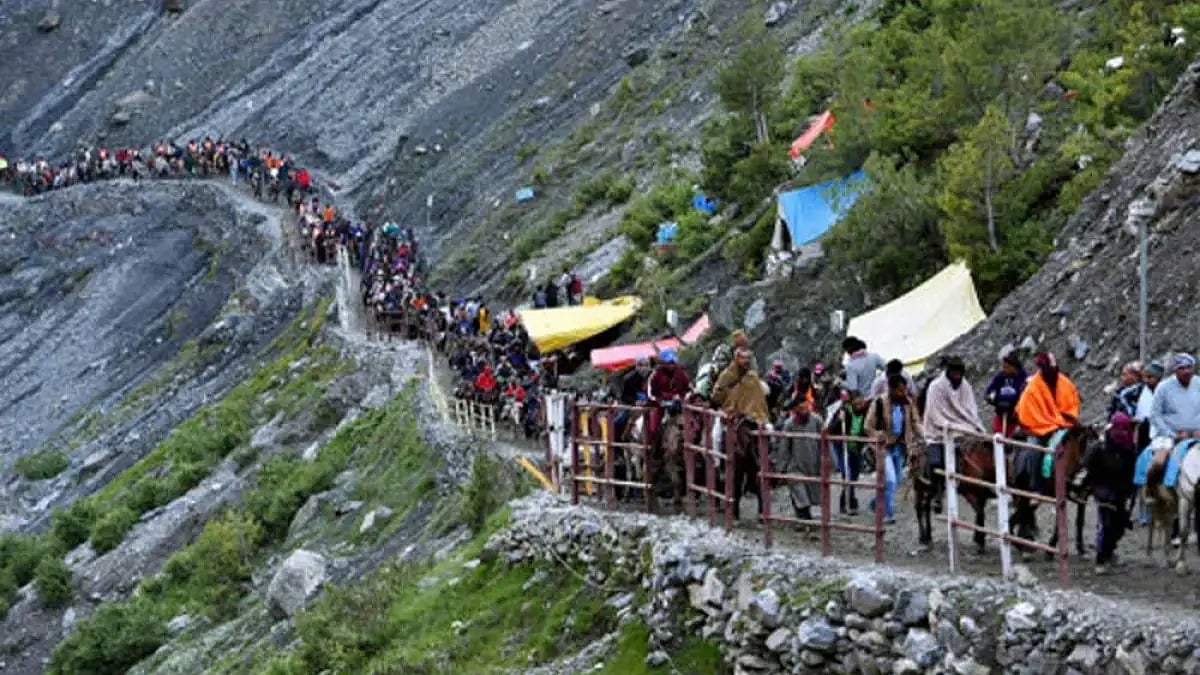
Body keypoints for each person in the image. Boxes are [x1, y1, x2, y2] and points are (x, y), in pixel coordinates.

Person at [921, 357, 986, 512]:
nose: (957, 376)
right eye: (954, 372)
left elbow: (971, 409)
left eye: (960, 373)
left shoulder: (966, 386)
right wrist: (950, 427)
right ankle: (938, 492)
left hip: (963, 426)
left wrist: (972, 426)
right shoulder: (936, 387)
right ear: (948, 372)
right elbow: (935, 414)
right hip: (938, 430)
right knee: (936, 461)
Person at [1080, 411, 1138, 574]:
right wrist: (1087, 487)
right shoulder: (1099, 447)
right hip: (1102, 488)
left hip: (1120, 491)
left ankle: (1109, 550)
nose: (1123, 433)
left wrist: (1130, 492)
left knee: (1119, 525)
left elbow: (1131, 472)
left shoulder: (1129, 449)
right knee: (1105, 523)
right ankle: (1100, 559)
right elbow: (1087, 467)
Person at [864, 374, 923, 524]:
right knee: (889, 480)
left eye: (904, 390)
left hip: (901, 446)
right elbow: (868, 426)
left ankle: (875, 503)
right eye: (899, 391)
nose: (902, 393)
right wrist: (879, 435)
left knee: (896, 480)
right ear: (891, 389)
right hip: (883, 447)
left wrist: (924, 436)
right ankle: (887, 514)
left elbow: (916, 422)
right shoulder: (879, 402)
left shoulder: (907, 403)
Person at [771, 399, 824, 526]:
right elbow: (784, 447)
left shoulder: (817, 421)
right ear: (795, 410)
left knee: (811, 493)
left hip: (813, 462)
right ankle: (804, 519)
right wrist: (781, 468)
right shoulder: (789, 424)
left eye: (806, 407)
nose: (805, 410)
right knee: (800, 492)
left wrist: (827, 462)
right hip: (795, 465)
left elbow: (824, 442)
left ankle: (803, 517)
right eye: (801, 408)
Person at [648, 349, 691, 502]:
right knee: (653, 428)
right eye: (669, 363)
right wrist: (662, 401)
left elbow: (688, 390)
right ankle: (653, 453)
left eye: (673, 362)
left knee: (692, 425)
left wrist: (681, 399)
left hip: (678, 408)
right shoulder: (656, 375)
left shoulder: (681, 374)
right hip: (661, 407)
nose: (671, 365)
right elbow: (651, 394)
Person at [828, 393, 871, 515]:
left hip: (856, 447)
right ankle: (848, 502)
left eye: (861, 403)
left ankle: (849, 500)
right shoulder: (844, 412)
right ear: (851, 403)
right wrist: (838, 420)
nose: (859, 406)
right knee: (847, 475)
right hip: (842, 447)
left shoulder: (866, 412)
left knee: (854, 476)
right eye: (856, 404)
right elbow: (831, 429)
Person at [712, 348, 771, 426]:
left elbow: (760, 402)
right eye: (743, 358)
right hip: (732, 416)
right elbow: (717, 396)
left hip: (755, 418)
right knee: (717, 434)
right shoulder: (727, 375)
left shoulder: (753, 377)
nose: (746, 361)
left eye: (747, 358)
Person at [985, 352, 1026, 436]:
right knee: (998, 440)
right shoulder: (1000, 377)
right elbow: (989, 393)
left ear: (1014, 367)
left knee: (1016, 439)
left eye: (1006, 367)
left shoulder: (1023, 378)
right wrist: (997, 400)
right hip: (1001, 416)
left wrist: (1009, 401)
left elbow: (1023, 396)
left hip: (1016, 419)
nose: (1004, 369)